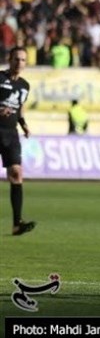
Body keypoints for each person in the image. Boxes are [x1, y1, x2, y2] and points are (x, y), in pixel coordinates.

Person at [0, 46, 36, 236]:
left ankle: (17, 223)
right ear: (9, 59)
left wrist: (24, 125)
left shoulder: (24, 86)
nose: (19, 63)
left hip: (10, 133)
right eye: (16, 59)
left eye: (22, 60)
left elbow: (19, 109)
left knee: (16, 172)